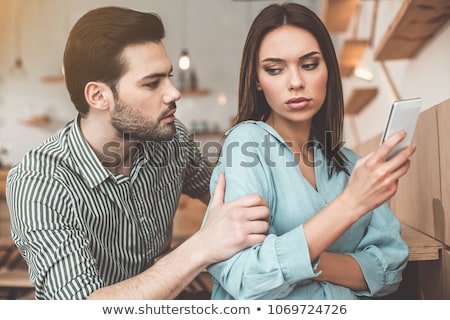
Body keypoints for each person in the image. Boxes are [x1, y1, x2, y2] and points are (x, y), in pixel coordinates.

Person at [6, 6, 270, 300]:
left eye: (168, 77)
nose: (173, 93)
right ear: (98, 96)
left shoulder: (171, 140)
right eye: (152, 83)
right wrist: (201, 247)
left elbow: (228, 195)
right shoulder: (39, 182)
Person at [203, 2, 415, 300]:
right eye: (274, 69)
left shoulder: (352, 165)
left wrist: (304, 261)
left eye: (310, 64)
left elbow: (387, 270)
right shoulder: (246, 145)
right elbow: (247, 278)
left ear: (328, 68)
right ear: (257, 80)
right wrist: (351, 203)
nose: (296, 82)